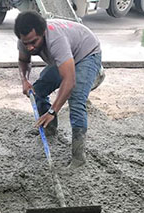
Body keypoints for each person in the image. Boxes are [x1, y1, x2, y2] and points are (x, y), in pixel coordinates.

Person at [14, 11, 104, 167]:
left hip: (86, 53)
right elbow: (23, 60)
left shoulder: (56, 40)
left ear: (43, 33)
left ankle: (78, 157)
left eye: (34, 42)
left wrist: (52, 111)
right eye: (26, 43)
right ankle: (49, 128)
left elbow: (69, 81)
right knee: (37, 90)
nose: (30, 47)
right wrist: (25, 80)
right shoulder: (25, 41)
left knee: (76, 99)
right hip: (66, 56)